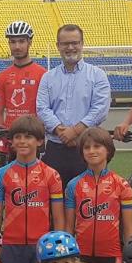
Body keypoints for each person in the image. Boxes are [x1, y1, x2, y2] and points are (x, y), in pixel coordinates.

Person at [0, 114, 64, 263]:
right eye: (17, 137)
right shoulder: (1, 174)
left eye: (28, 136)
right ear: (11, 141)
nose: (22, 141)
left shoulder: (52, 174)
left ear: (39, 141)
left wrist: (59, 246)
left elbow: (58, 217)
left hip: (40, 245)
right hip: (10, 245)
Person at [64, 127, 132, 263]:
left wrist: (130, 260)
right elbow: (68, 227)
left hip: (113, 253)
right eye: (86, 148)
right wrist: (68, 257)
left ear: (108, 150)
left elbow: (129, 228)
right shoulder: (74, 185)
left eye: (97, 146)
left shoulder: (121, 185)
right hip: (83, 254)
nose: (92, 151)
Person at [36, 24, 111, 187]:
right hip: (55, 148)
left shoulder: (97, 75)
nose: (70, 47)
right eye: (65, 43)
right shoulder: (48, 77)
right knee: (54, 200)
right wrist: (60, 130)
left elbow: (100, 109)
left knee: (89, 199)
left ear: (82, 44)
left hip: (87, 148)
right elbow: (42, 108)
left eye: (75, 42)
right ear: (58, 46)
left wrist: (75, 131)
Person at [0, 21, 47, 136]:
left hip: (34, 135)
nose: (17, 46)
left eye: (21, 41)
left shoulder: (43, 74)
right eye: (13, 42)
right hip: (10, 135)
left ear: (30, 42)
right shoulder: (2, 76)